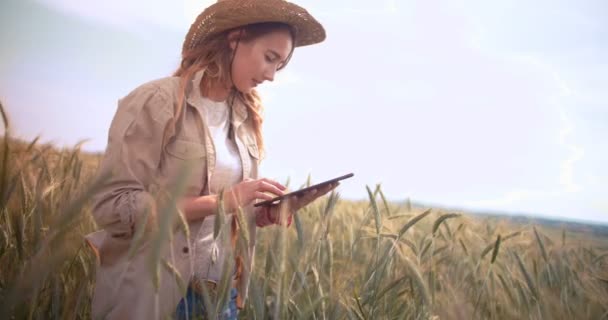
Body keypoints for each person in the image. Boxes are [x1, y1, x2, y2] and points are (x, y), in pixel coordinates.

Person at [84, 0, 336, 319]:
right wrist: (221, 201)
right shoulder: (157, 101)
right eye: (269, 58)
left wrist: (260, 213)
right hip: (157, 295)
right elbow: (112, 205)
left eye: (280, 65)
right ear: (236, 38)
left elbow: (227, 212)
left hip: (221, 297)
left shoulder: (246, 118)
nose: (271, 75)